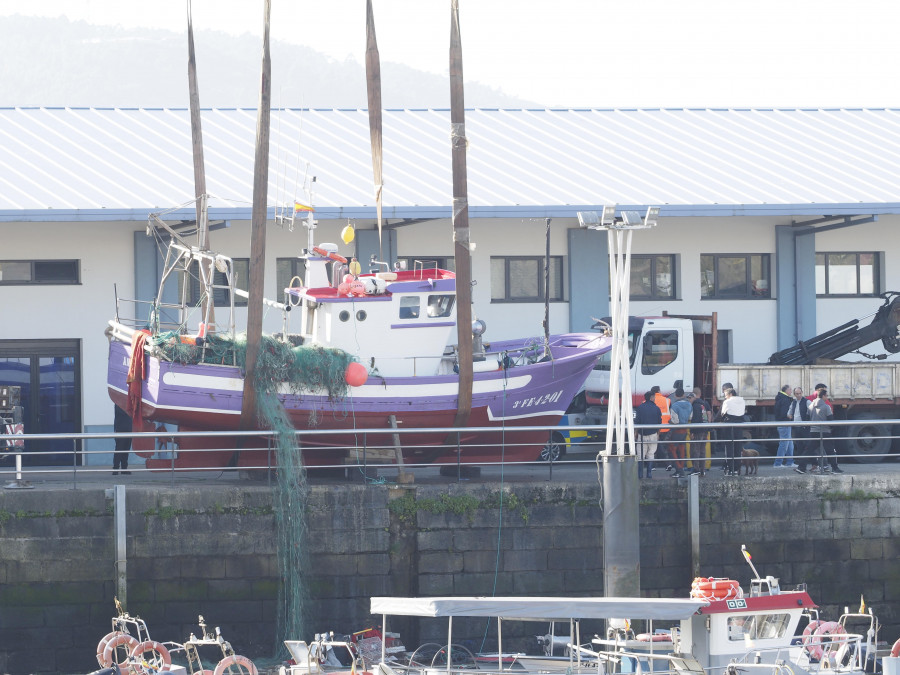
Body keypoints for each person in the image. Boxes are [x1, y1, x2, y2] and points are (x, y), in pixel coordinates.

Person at [808, 387, 843, 473]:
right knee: (830, 450)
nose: (827, 397)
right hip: (825, 431)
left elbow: (807, 417)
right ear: (823, 396)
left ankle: (801, 467)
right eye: (826, 396)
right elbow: (830, 420)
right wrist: (832, 428)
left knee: (809, 450)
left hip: (814, 431)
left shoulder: (811, 405)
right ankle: (835, 468)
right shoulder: (826, 406)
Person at [634, 391, 662, 479]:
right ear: (651, 398)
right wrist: (658, 433)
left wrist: (635, 432)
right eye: (654, 396)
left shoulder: (640, 407)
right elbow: (659, 422)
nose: (655, 398)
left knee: (640, 455)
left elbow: (637, 421)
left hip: (642, 434)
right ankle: (649, 474)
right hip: (653, 434)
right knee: (651, 453)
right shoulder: (657, 408)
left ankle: (640, 474)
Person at [720, 387, 746, 476]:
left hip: (729, 427)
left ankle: (730, 469)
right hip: (739, 427)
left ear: (730, 394)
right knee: (738, 448)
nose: (725, 397)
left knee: (729, 448)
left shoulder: (727, 402)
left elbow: (722, 413)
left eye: (725, 395)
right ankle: (736, 469)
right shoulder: (742, 401)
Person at [668, 388, 693, 477]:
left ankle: (679, 470)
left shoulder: (674, 406)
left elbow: (675, 421)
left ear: (675, 395)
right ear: (683, 395)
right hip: (685, 429)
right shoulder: (689, 405)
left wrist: (669, 421)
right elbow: (690, 417)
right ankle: (681, 467)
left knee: (672, 449)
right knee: (681, 449)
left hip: (677, 430)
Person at [790, 387, 813, 474]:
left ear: (802, 393)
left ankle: (811, 464)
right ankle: (802, 465)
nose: (799, 395)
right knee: (800, 446)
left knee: (807, 446)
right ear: (794, 394)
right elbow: (790, 411)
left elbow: (812, 411)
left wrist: (808, 420)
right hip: (797, 427)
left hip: (804, 427)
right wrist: (789, 415)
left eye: (800, 393)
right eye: (797, 394)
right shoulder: (794, 402)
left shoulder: (807, 401)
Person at [773, 384, 795, 468]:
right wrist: (790, 416)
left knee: (789, 443)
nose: (791, 391)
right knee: (784, 443)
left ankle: (790, 462)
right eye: (790, 390)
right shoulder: (785, 400)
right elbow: (785, 413)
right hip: (785, 423)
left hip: (782, 423)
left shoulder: (780, 398)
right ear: (786, 391)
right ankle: (778, 463)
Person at [651, 385, 671, 467]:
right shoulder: (667, 400)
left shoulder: (650, 400)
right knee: (662, 445)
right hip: (666, 427)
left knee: (655, 446)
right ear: (659, 391)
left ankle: (653, 465)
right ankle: (666, 463)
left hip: (654, 427)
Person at [112, 403, 132, 476]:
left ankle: (124, 468)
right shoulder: (118, 404)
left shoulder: (128, 405)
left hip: (129, 430)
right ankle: (116, 468)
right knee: (119, 450)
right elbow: (126, 412)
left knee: (126, 450)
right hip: (120, 430)